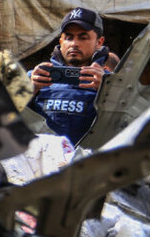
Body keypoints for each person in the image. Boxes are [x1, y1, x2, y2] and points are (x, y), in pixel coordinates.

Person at [28, 8, 112, 144]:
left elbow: (128, 125)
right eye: (69, 37)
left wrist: (109, 92)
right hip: (41, 161)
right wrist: (29, 90)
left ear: (99, 42)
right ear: (61, 41)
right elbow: (1, 119)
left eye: (83, 37)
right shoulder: (36, 77)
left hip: (88, 162)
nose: (74, 44)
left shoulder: (112, 83)